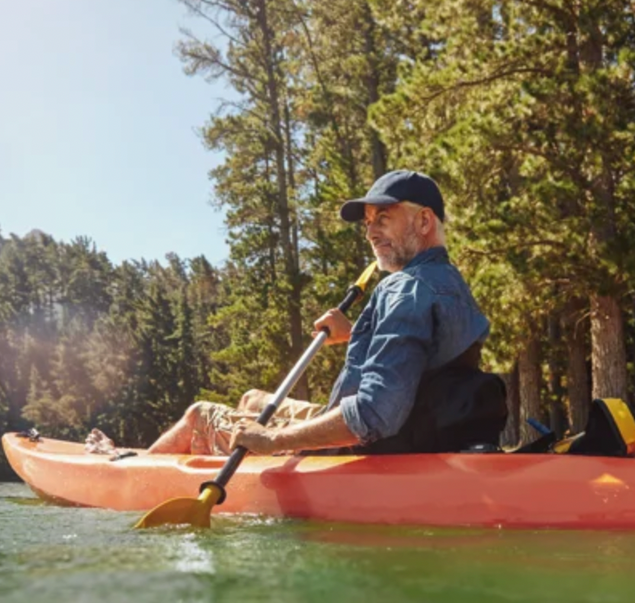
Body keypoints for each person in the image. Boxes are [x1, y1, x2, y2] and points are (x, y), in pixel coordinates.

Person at [136, 169, 506, 458]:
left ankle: (126, 472)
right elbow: (426, 355)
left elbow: (374, 413)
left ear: (424, 222)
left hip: (358, 444)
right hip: (415, 424)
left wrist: (273, 440)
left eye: (383, 219)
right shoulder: (449, 281)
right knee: (251, 399)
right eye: (368, 223)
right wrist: (355, 332)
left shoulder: (402, 288)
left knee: (199, 415)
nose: (370, 233)